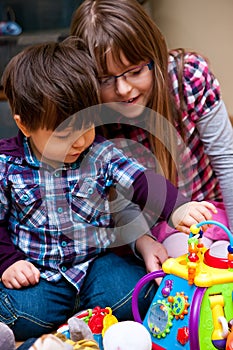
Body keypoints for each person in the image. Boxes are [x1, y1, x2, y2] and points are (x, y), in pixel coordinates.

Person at [0, 39, 216, 340]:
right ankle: (72, 326)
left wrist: (177, 206)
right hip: (39, 274)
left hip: (94, 267)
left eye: (87, 127)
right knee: (15, 310)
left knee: (139, 291)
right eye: (64, 135)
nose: (79, 142)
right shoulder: (6, 165)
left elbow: (141, 180)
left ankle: (84, 322)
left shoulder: (101, 153)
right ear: (25, 127)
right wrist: (8, 263)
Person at [70, 0, 233, 259]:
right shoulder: (93, 119)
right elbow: (115, 196)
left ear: (154, 55)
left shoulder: (188, 77)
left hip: (213, 211)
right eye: (105, 80)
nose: (123, 90)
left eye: (134, 71)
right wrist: (142, 242)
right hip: (154, 229)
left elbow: (227, 161)